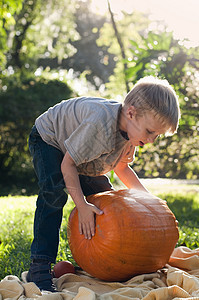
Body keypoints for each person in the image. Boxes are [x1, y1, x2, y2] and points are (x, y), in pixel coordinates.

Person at [27, 76, 180, 292]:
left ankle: (99, 260)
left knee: (107, 203)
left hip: (82, 155)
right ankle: (39, 266)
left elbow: (122, 169)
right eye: (150, 132)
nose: (152, 139)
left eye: (157, 135)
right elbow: (68, 165)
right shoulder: (100, 125)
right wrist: (82, 205)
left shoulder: (131, 133)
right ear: (131, 113)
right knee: (53, 194)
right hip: (50, 139)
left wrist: (151, 203)